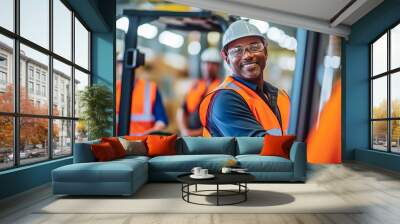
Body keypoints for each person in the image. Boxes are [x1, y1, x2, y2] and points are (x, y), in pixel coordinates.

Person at [199, 20, 290, 137]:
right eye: (237, 50)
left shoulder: (281, 96)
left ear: (265, 52)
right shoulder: (225, 99)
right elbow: (263, 146)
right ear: (227, 59)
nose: (248, 55)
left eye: (255, 47)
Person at [116, 55, 169, 136]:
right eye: (121, 64)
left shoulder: (151, 88)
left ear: (137, 67)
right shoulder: (114, 88)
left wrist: (150, 134)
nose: (124, 67)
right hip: (118, 141)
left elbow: (161, 121)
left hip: (144, 142)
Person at [176, 48, 222, 136]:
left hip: (209, 138)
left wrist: (196, 133)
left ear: (218, 67)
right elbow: (182, 110)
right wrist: (184, 130)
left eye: (212, 64)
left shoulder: (221, 88)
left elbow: (218, 121)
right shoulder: (195, 86)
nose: (208, 67)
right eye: (205, 63)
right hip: (189, 134)